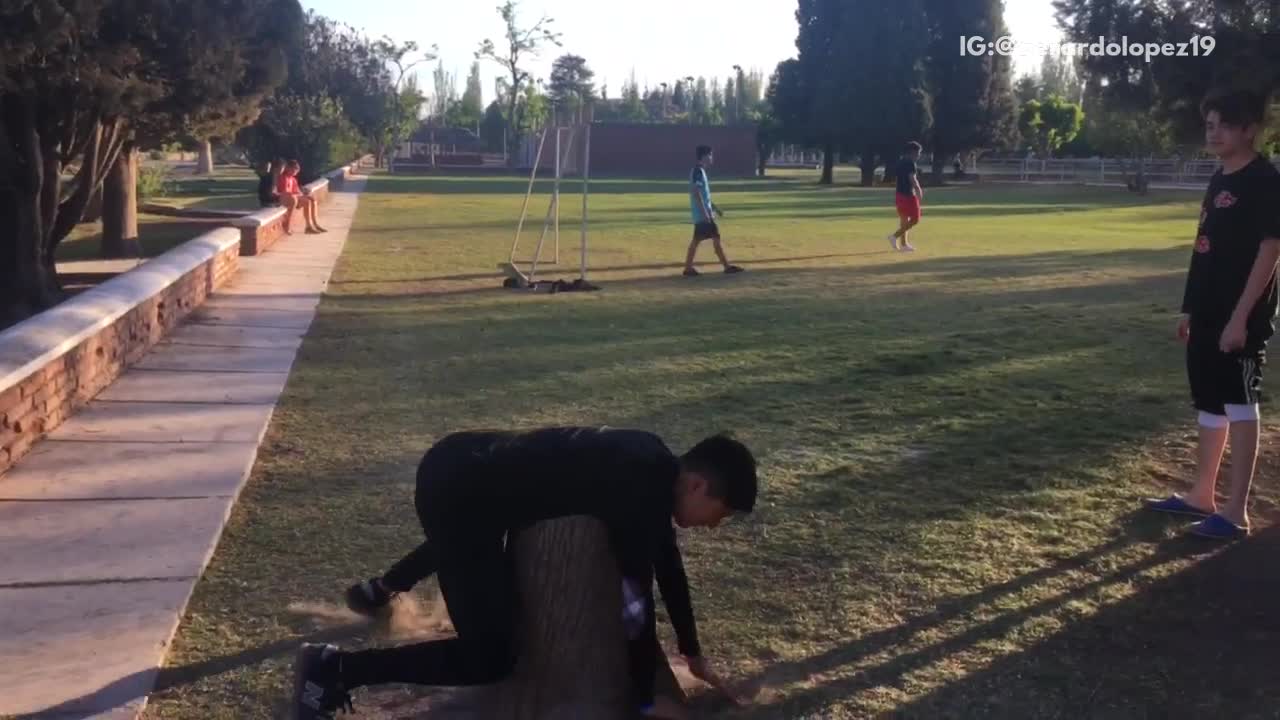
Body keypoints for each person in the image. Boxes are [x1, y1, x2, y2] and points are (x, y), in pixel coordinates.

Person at [291, 427, 759, 719]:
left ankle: (382, 590)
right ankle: (335, 669)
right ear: (698, 484)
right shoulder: (639, 490)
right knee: (491, 656)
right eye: (721, 512)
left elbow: (667, 564)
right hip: (457, 489)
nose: (715, 524)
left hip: (468, 468)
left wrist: (692, 652)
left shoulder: (651, 460)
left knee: (474, 535)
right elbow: (634, 603)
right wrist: (642, 699)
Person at [1146, 88, 1280, 540]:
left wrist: (1240, 317)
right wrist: (1190, 307)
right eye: (1209, 124)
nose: (1214, 131)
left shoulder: (1265, 181)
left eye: (1224, 123)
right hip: (1205, 312)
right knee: (1209, 402)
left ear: (1250, 130)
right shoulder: (1219, 177)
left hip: (1238, 316)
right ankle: (1201, 495)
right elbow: (1205, 249)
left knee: (1240, 402)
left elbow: (1270, 251)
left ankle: (1235, 510)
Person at [683, 145, 743, 277]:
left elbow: (705, 196)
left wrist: (715, 208)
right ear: (704, 156)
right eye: (710, 155)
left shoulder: (700, 171)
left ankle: (688, 268)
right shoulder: (698, 171)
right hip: (703, 215)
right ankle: (726, 267)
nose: (711, 157)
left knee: (702, 240)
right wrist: (706, 214)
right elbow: (696, 193)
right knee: (709, 239)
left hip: (704, 213)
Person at [887, 142, 924, 252]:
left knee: (904, 220)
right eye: (918, 153)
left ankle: (904, 245)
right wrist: (918, 189)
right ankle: (894, 236)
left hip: (899, 194)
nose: (919, 155)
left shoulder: (900, 162)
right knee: (915, 219)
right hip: (908, 195)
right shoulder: (911, 163)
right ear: (913, 152)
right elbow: (912, 178)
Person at [277, 159, 327, 235]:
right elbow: (285, 192)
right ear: (288, 168)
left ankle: (313, 224)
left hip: (293, 198)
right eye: (294, 169)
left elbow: (297, 192)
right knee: (306, 201)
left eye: (297, 169)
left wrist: (304, 194)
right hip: (286, 200)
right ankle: (305, 226)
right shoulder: (283, 178)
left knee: (311, 200)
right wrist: (299, 195)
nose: (296, 171)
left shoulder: (293, 179)